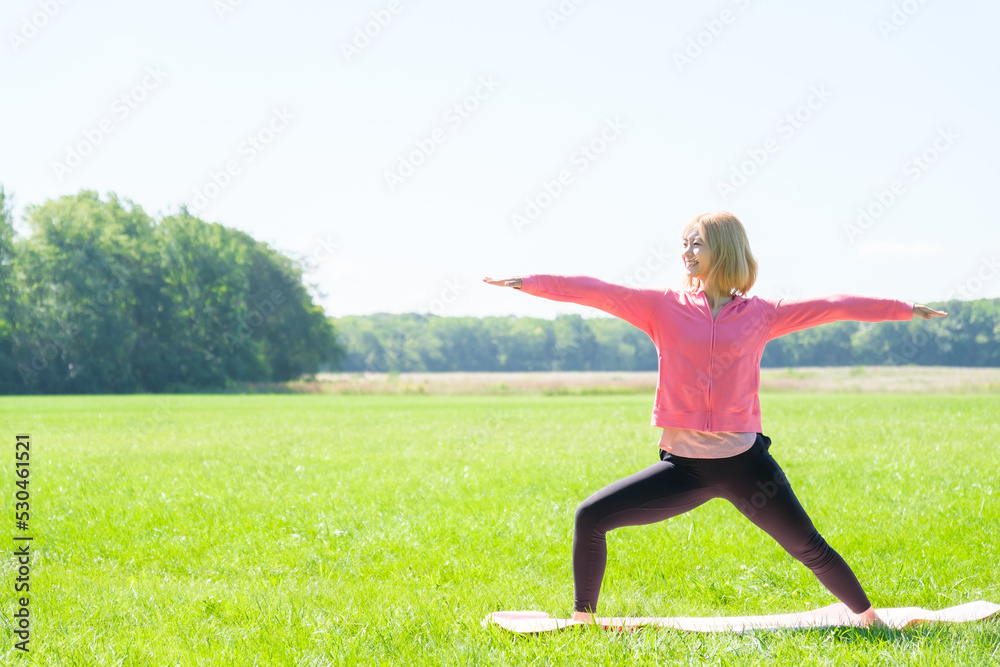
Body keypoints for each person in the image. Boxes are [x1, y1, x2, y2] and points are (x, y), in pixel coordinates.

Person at [483, 211, 946, 628]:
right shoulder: (660, 307)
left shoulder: (763, 314)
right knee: (591, 515)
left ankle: (869, 618)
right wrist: (529, 280)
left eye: (697, 243)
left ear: (723, 249)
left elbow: (835, 305)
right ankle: (583, 620)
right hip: (682, 468)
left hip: (745, 465)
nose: (686, 252)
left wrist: (904, 309)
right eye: (684, 243)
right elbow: (598, 292)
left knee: (809, 547)